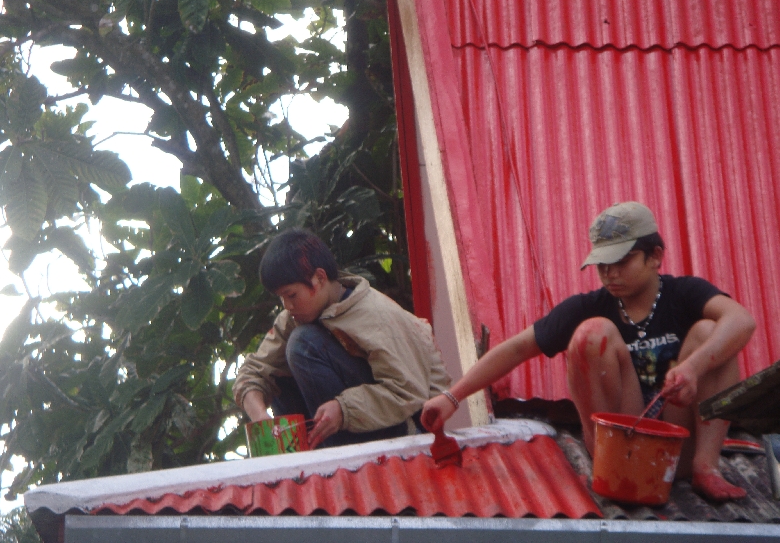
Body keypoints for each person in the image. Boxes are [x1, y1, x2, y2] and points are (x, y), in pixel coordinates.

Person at [421, 202, 755, 502]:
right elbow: (517, 348)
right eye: (602, 264)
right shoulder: (591, 306)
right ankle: (610, 465)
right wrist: (451, 398)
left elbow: (742, 321)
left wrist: (692, 368)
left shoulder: (684, 293)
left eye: (621, 261)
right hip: (624, 450)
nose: (609, 273)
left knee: (711, 332)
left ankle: (706, 468)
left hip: (678, 452)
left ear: (654, 256)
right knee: (591, 333)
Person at [233, 228, 451, 450]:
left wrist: (343, 409)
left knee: (303, 343)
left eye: (292, 295)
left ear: (319, 278)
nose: (288, 306)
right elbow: (255, 370)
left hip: (406, 427)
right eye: (282, 299)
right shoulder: (292, 318)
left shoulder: (378, 315)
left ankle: (333, 449)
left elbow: (408, 392)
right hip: (341, 424)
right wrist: (260, 417)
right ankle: (301, 451)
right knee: (277, 369)